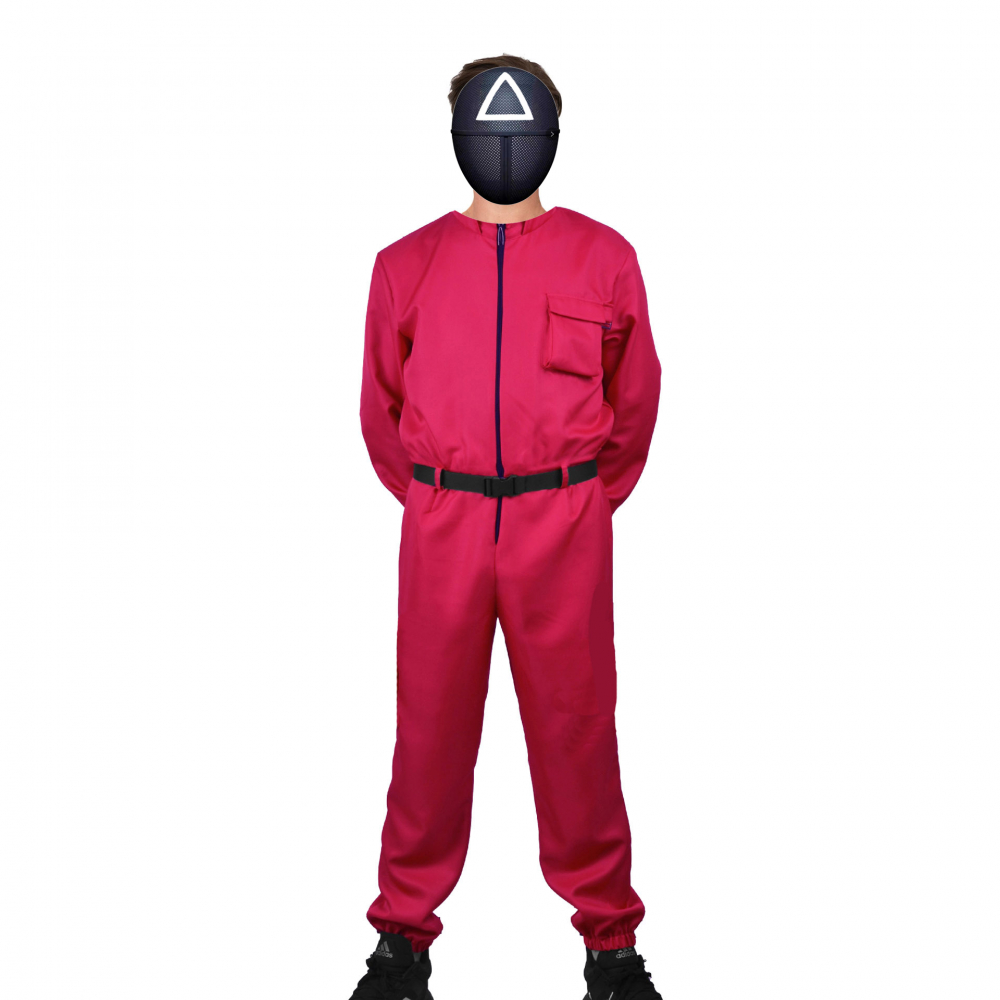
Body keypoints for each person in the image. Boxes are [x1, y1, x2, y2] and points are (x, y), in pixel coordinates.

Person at [351, 54, 662, 1000]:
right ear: (460, 136)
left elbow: (636, 399)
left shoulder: (604, 257)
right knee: (429, 730)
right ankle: (402, 940)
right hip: (443, 520)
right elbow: (380, 408)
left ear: (549, 136)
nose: (505, 143)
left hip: (561, 520)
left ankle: (610, 944)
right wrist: (438, 495)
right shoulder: (404, 264)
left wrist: (581, 499)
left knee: (578, 729)